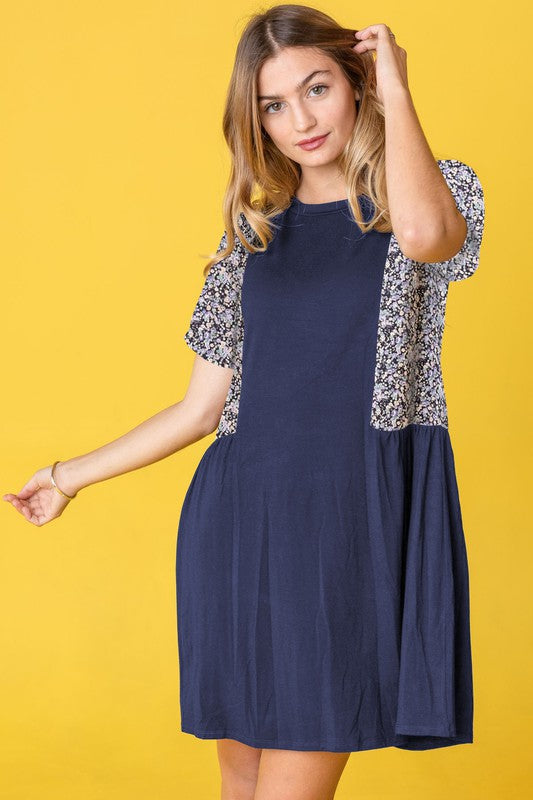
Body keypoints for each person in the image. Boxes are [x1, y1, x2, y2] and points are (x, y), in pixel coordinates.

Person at [3, 5, 485, 799]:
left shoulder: (422, 191)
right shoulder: (249, 240)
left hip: (349, 525)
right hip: (239, 528)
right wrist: (66, 476)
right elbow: (199, 410)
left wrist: (396, 89)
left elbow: (432, 239)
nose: (299, 119)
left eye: (317, 88)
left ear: (356, 81)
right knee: (241, 788)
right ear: (253, 118)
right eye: (273, 104)